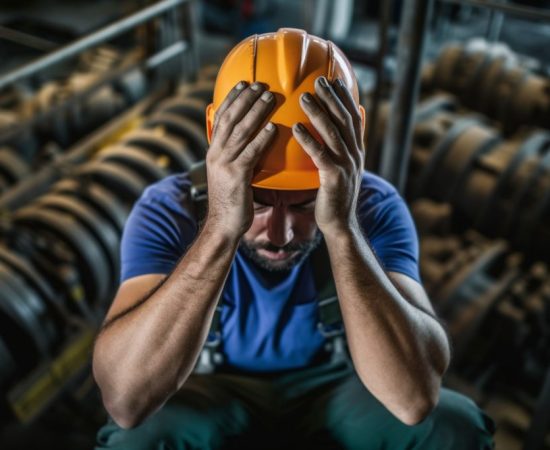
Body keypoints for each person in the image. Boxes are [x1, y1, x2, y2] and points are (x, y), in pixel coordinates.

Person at [92, 28, 495, 449]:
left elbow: (414, 401)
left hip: (336, 388)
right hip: (214, 390)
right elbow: (125, 401)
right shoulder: (168, 209)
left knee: (453, 427)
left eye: (304, 205)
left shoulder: (374, 206)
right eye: (259, 203)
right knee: (136, 441)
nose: (281, 235)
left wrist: (342, 227)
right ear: (217, 137)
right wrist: (220, 227)